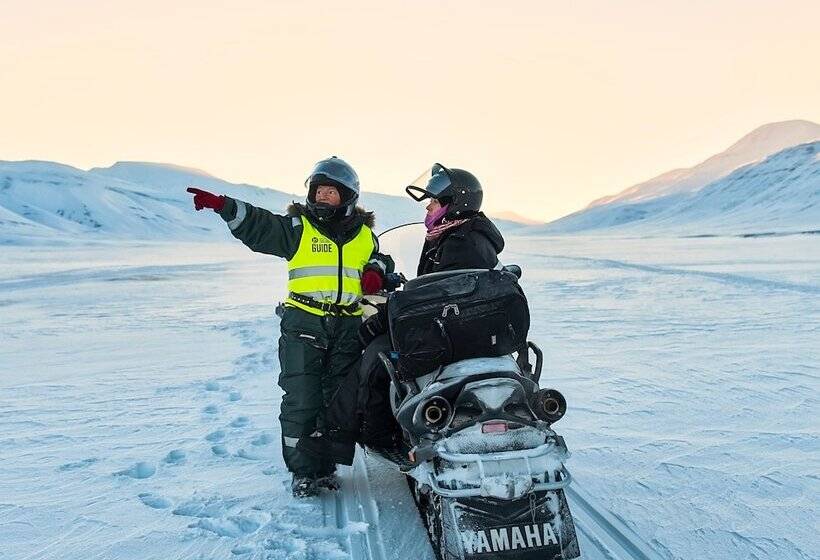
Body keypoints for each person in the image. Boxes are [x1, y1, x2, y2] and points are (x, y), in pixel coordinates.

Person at [186, 156, 391, 497]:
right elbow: (261, 226)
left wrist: (376, 270)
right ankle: (303, 471)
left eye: (331, 192)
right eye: (318, 191)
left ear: (348, 197)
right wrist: (224, 205)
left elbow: (379, 259)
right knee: (302, 398)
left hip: (347, 324)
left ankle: (325, 465)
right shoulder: (299, 228)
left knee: (337, 399)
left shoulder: (366, 235)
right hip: (305, 321)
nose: (322, 197)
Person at [297, 163, 504, 465]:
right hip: (462, 330)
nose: (428, 208)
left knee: (377, 355)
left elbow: (439, 296)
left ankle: (364, 436)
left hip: (453, 335)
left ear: (454, 204)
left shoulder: (462, 243)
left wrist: (383, 319)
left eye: (434, 202)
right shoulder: (459, 235)